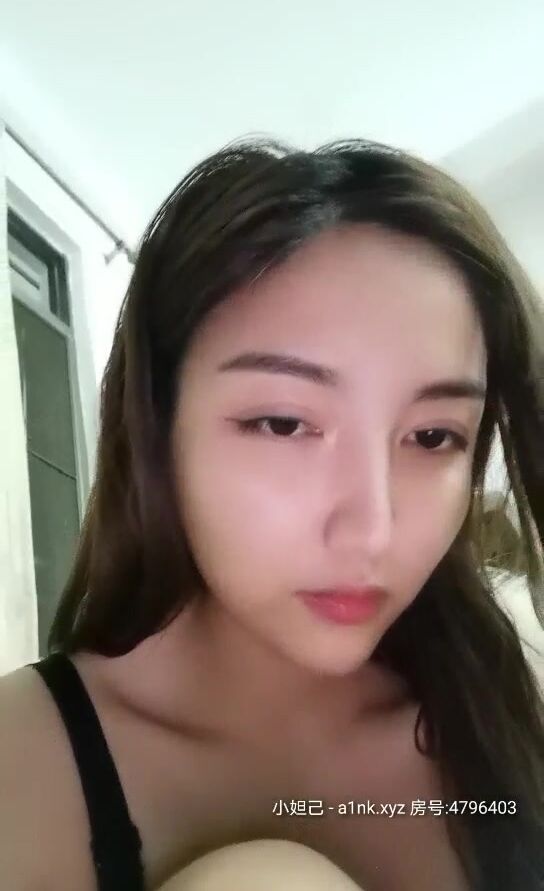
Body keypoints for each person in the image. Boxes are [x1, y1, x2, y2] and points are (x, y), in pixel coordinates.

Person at [1, 136, 543, 891]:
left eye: (431, 436)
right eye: (284, 423)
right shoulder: (23, 771)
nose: (374, 530)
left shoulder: (504, 699)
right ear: (159, 426)